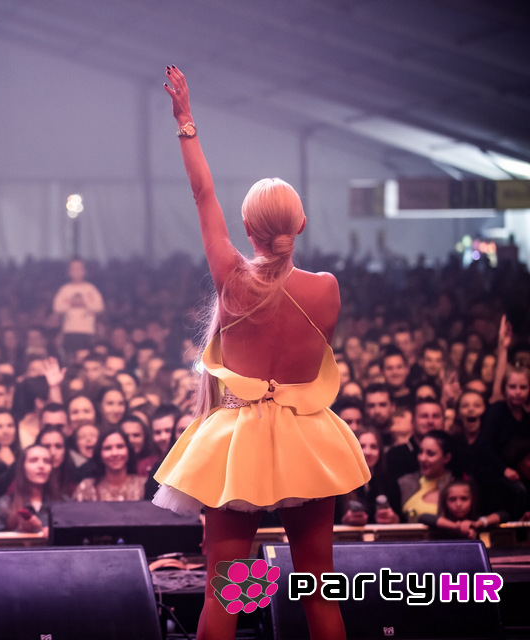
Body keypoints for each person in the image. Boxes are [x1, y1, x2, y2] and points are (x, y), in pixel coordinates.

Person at [151, 66, 369, 640]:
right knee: (321, 592)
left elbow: (202, 194)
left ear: (246, 228)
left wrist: (185, 121)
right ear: (302, 224)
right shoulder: (327, 289)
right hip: (308, 439)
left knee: (224, 594)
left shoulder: (232, 279)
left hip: (238, 442)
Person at [73, 429, 145, 502]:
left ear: (129, 450)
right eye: (108, 448)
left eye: (120, 447)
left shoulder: (143, 486)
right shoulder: (87, 488)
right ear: (99, 453)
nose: (114, 453)